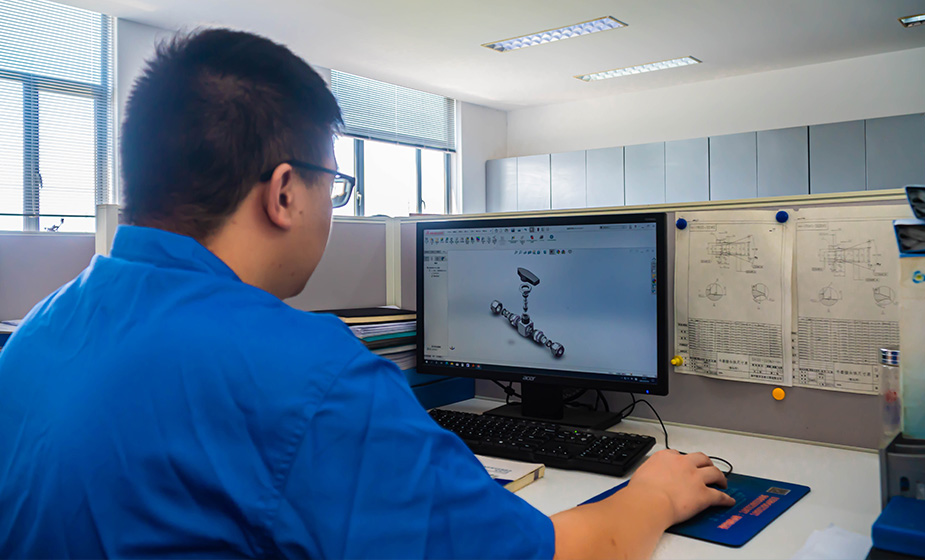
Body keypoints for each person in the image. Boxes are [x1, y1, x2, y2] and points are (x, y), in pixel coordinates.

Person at [0, 28, 733, 559]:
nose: (332, 206)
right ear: (285, 192)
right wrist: (655, 493)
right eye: (334, 183)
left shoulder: (37, 334)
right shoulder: (309, 378)